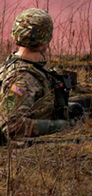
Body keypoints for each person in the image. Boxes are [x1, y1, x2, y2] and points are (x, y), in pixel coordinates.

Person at [0, 8, 77, 140]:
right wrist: (61, 126)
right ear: (45, 39)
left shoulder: (20, 65)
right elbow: (11, 125)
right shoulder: (21, 80)